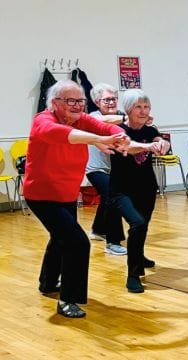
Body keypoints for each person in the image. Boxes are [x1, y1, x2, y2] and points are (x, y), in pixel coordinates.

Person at [24, 79, 129, 318]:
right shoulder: (43, 120)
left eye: (80, 101)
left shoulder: (82, 119)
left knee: (60, 238)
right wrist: (96, 140)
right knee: (78, 243)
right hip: (41, 195)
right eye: (70, 101)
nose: (77, 105)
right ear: (54, 103)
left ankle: (48, 283)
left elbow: (106, 128)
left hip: (67, 193)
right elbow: (63, 134)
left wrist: (120, 136)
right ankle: (68, 300)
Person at [108, 89, 171, 293]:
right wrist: (150, 147)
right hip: (121, 190)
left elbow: (163, 142)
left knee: (142, 226)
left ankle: (139, 255)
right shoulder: (117, 130)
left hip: (146, 187)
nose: (143, 111)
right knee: (137, 223)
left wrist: (162, 143)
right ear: (128, 109)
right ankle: (133, 275)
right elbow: (129, 148)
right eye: (138, 107)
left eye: (146, 107)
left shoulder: (150, 131)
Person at [85, 83, 127, 255]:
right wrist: (127, 118)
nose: (111, 102)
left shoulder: (120, 116)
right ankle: (113, 242)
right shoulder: (92, 116)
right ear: (97, 102)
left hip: (113, 169)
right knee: (113, 196)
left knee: (107, 198)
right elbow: (102, 122)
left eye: (114, 99)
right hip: (94, 169)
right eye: (107, 99)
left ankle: (97, 229)